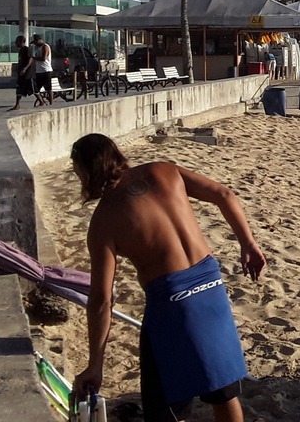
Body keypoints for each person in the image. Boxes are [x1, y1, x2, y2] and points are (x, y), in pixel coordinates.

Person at [70, 133, 266, 422]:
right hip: (211, 285)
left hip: (172, 304)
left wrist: (95, 365)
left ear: (86, 171)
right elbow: (224, 194)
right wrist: (248, 244)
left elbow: (102, 299)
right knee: (223, 393)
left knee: (163, 409)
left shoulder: (104, 220)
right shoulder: (163, 170)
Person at [7, 36, 34, 111]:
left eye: (17, 41)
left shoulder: (26, 49)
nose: (15, 43)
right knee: (19, 88)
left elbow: (31, 59)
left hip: (26, 73)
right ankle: (17, 104)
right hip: (21, 72)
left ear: (21, 41)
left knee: (32, 89)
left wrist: (25, 68)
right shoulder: (21, 50)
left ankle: (41, 101)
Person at [31, 33, 54, 105]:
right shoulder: (37, 48)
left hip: (46, 70)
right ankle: (41, 101)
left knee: (48, 88)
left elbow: (43, 58)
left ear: (39, 40)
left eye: (36, 42)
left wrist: (34, 58)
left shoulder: (45, 47)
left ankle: (51, 103)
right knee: (35, 88)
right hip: (39, 71)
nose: (35, 44)